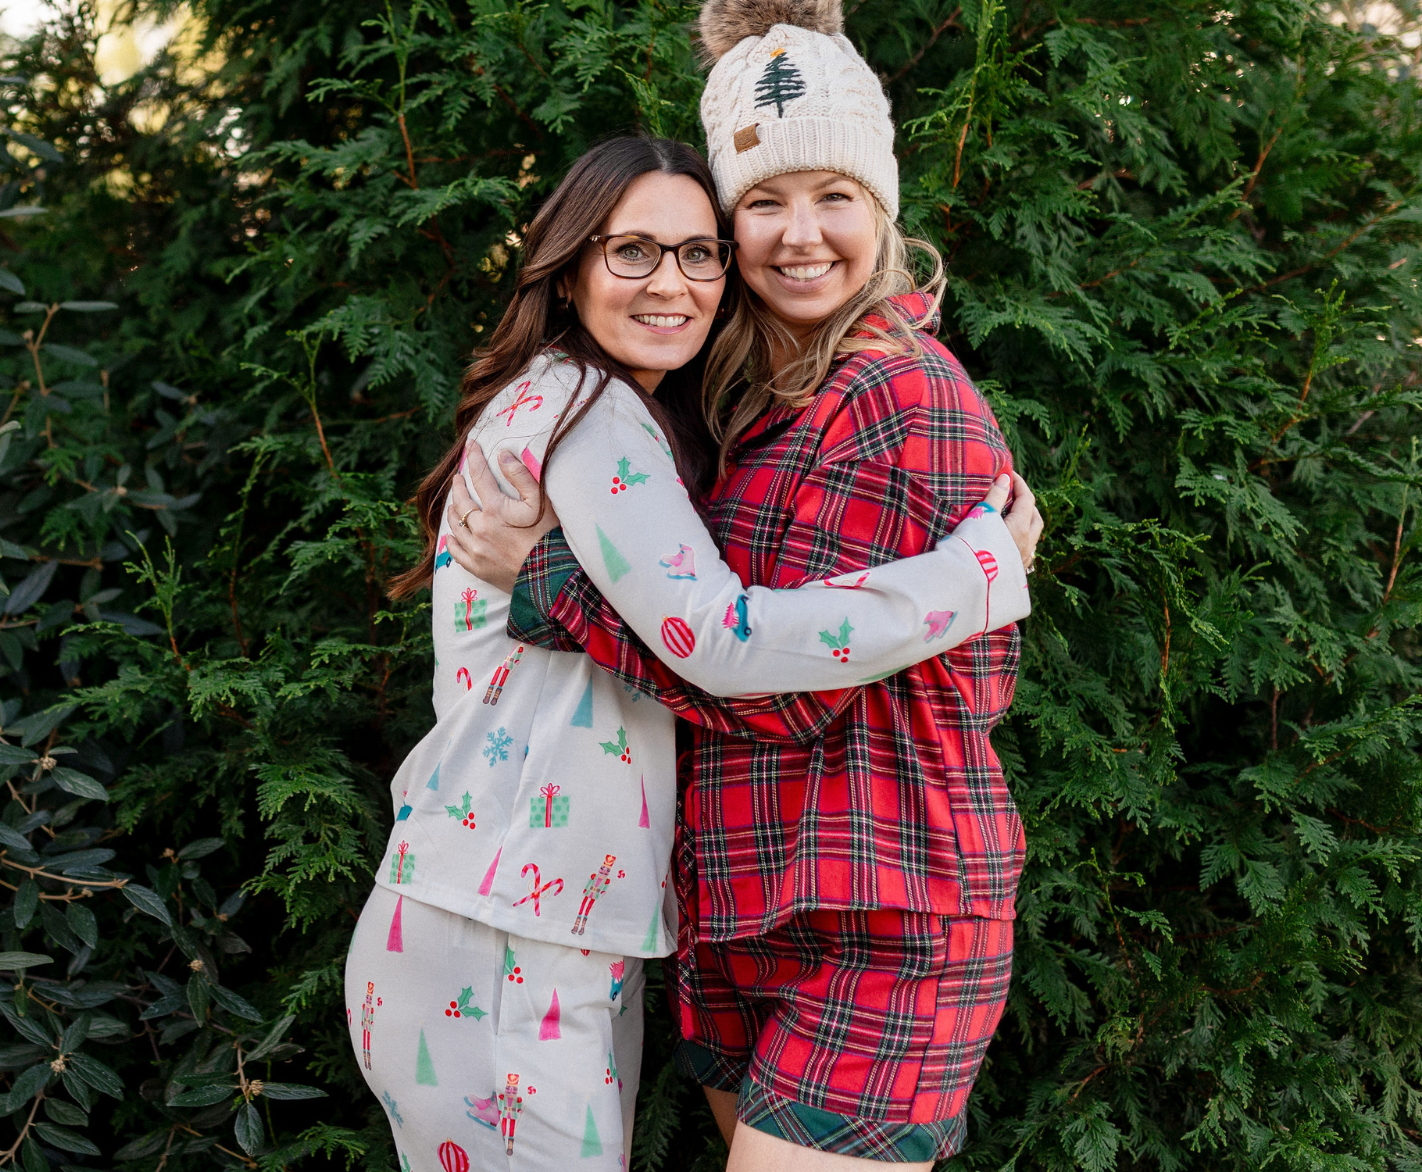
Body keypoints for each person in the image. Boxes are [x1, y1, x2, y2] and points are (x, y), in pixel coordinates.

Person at [343, 133, 1043, 1168]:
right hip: (500, 933)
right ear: (569, 265)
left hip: (528, 924)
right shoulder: (592, 414)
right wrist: (975, 576)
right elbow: (722, 641)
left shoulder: (623, 410)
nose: (671, 282)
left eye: (698, 252)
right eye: (632, 251)